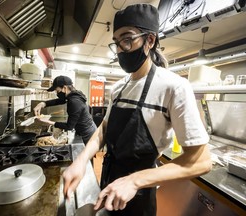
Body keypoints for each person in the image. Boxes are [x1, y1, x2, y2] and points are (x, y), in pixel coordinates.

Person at [62, 4, 212, 216]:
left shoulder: (173, 87)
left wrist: (134, 181)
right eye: (117, 42)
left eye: (127, 39)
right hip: (109, 180)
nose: (121, 49)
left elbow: (202, 162)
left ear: (149, 40)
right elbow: (104, 128)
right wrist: (82, 160)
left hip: (139, 193)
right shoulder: (119, 88)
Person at [33, 75, 97, 144]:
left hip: (87, 132)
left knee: (87, 153)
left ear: (64, 88)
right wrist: (43, 104)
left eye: (57, 91)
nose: (56, 93)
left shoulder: (74, 101)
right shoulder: (73, 95)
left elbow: (69, 126)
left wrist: (49, 122)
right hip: (85, 128)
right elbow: (59, 101)